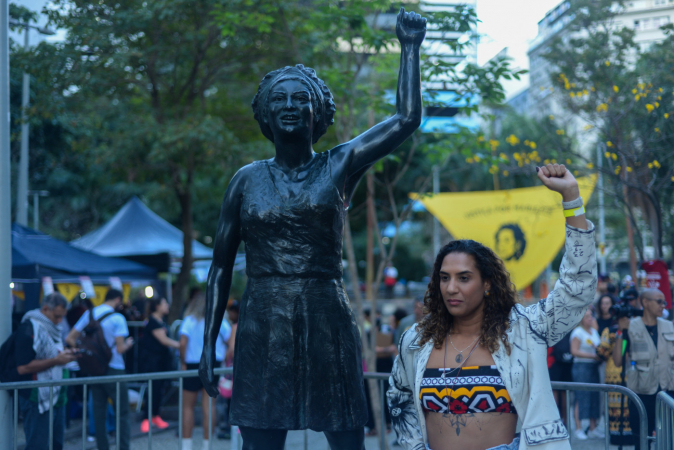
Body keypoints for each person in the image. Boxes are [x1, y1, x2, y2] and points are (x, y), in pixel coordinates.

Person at [198, 8, 427, 450]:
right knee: (261, 439)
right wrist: (207, 346)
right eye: (278, 99)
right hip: (264, 318)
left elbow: (405, 120)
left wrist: (410, 48)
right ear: (265, 112)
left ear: (316, 110)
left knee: (344, 437)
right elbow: (219, 267)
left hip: (325, 312)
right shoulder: (245, 180)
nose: (289, 106)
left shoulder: (339, 163)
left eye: (299, 98)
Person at [387, 163, 597, 450]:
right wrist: (414, 446)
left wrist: (572, 199)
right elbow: (399, 397)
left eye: (464, 278)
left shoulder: (523, 330)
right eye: (444, 278)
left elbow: (577, 288)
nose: (451, 288)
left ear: (487, 284)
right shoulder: (416, 340)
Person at [67, 288, 134, 450]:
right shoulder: (118, 318)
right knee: (122, 413)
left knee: (98, 413)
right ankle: (123, 447)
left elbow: (69, 338)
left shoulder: (89, 314)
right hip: (115, 369)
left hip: (94, 369)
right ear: (118, 299)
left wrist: (87, 354)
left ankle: (102, 447)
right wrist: (129, 344)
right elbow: (119, 349)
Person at [612, 288, 674, 448]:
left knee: (669, 439)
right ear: (645, 302)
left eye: (664, 302)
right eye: (659, 301)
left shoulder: (669, 327)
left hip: (668, 391)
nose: (663, 306)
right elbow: (618, 360)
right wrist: (621, 332)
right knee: (641, 439)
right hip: (641, 393)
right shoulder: (630, 327)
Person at [15, 293, 78, 450]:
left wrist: (64, 354)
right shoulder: (29, 328)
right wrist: (57, 360)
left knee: (56, 444)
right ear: (45, 309)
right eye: (57, 316)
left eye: (62, 317)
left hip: (56, 395)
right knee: (38, 445)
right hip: (37, 397)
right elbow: (22, 367)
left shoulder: (51, 327)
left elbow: (50, 352)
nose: (59, 321)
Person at [179, 294, 231, 450]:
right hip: (213, 364)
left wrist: (182, 361)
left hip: (192, 364)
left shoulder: (189, 321)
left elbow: (182, 343)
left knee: (188, 407)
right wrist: (224, 358)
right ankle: (207, 446)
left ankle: (186, 446)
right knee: (209, 406)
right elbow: (231, 344)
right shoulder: (219, 321)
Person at [138, 297, 180, 433]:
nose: (167, 305)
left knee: (159, 389)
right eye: (164, 303)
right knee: (152, 390)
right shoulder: (152, 322)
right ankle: (146, 418)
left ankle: (155, 416)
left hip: (161, 361)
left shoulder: (161, 321)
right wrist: (181, 345)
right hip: (152, 362)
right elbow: (163, 340)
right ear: (157, 306)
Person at [569, 308, 604, 440]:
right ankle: (578, 428)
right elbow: (574, 351)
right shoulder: (577, 332)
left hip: (593, 366)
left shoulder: (594, 331)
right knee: (581, 396)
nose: (590, 318)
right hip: (581, 366)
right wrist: (592, 356)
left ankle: (592, 427)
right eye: (587, 316)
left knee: (594, 396)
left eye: (591, 316)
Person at [548, 332, 573, 426]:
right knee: (564, 394)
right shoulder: (569, 327)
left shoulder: (553, 328)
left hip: (553, 363)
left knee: (557, 395)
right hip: (564, 364)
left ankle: (556, 421)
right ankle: (564, 422)